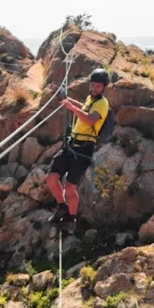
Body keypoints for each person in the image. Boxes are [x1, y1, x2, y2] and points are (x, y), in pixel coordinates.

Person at [46, 67, 110, 228]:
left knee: (69, 187)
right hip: (71, 145)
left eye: (98, 86)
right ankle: (62, 207)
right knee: (51, 178)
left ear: (104, 87)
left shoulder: (103, 104)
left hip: (84, 151)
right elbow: (85, 108)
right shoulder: (91, 99)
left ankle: (71, 218)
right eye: (92, 85)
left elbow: (90, 119)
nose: (94, 88)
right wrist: (68, 101)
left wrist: (71, 108)